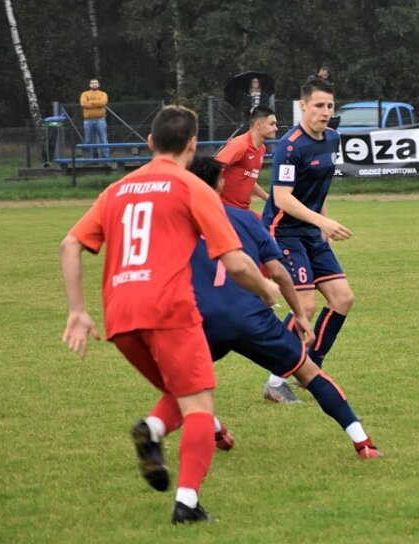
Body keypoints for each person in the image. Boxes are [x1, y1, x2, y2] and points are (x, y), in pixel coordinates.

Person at [59, 105, 280, 524]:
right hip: (169, 308)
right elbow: (234, 262)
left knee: (182, 395)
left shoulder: (117, 189)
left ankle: (155, 430)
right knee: (198, 405)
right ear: (193, 145)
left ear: (150, 144)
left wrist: (77, 311)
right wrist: (266, 288)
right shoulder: (193, 187)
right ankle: (187, 504)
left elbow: (70, 246)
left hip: (120, 316)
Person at [188, 156, 382, 459]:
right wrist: (301, 316)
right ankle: (363, 442)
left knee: (182, 381)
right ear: (221, 183)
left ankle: (191, 428)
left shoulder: (177, 225)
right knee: (310, 373)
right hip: (251, 317)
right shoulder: (246, 219)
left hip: (203, 319)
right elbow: (278, 273)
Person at [260, 77, 354, 403]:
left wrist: (322, 225)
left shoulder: (332, 139)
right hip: (282, 231)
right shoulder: (290, 146)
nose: (325, 112)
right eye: (318, 105)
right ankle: (275, 380)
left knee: (342, 298)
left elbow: (320, 189)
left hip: (311, 232)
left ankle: (311, 363)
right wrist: (322, 220)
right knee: (307, 305)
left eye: (329, 106)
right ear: (303, 106)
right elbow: (283, 198)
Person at [215, 105, 276, 212]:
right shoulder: (240, 144)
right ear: (258, 125)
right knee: (263, 228)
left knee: (265, 228)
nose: (276, 128)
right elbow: (213, 168)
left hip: (243, 209)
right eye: (272, 124)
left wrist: (266, 196)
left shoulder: (261, 149)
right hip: (227, 208)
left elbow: (248, 177)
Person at [79, 77, 110, 159]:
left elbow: (103, 102)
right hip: (88, 121)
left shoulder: (103, 94)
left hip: (101, 120)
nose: (94, 84)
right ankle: (90, 159)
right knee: (88, 140)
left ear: (98, 84)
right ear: (89, 85)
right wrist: (97, 104)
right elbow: (83, 104)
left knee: (103, 140)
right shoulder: (84, 94)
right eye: (92, 83)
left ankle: (105, 159)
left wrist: (90, 102)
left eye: (96, 83)